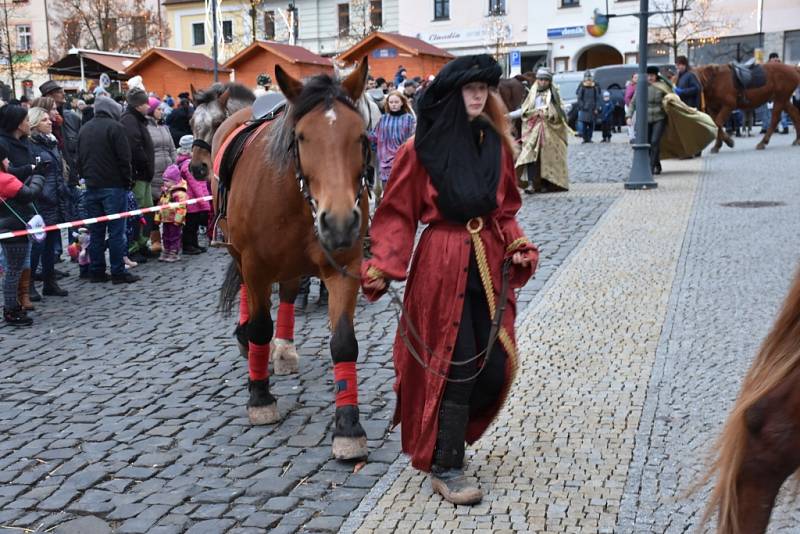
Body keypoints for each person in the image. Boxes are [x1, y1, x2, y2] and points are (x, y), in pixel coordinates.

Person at [361, 54, 538, 506]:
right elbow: (398, 213)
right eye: (469, 89)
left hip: (488, 260)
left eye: (484, 89)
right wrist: (384, 263)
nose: (478, 96)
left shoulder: (496, 144)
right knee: (454, 364)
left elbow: (506, 210)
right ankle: (446, 464)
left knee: (491, 361)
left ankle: (453, 441)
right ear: (452, 94)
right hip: (441, 262)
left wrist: (516, 243)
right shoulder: (419, 149)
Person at [76, 96, 139, 284]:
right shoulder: (116, 128)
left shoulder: (84, 128)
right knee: (116, 232)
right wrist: (127, 182)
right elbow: (124, 158)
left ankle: (97, 271)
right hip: (114, 186)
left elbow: (78, 158)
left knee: (95, 232)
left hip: (91, 186)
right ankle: (118, 272)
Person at [0, 105, 46, 307]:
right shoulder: (3, 144)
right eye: (27, 120)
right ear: (18, 123)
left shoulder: (25, 143)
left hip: (27, 204)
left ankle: (24, 294)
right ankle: (13, 302)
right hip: (11, 207)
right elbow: (10, 175)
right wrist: (34, 172)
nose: (30, 123)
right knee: (13, 261)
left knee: (25, 252)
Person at [27, 107, 70, 297]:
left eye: (49, 119)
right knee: (38, 244)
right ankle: (29, 285)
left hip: (55, 199)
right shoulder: (31, 145)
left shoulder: (51, 143)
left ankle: (49, 282)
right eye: (44, 120)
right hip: (42, 200)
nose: (50, 122)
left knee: (51, 243)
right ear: (35, 123)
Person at [0, 148, 44, 326]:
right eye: (5, 158)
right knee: (13, 270)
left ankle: (13, 306)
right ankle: (11, 309)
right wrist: (39, 176)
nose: (8, 161)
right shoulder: (4, 179)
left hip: (6, 227)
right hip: (14, 227)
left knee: (12, 269)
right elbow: (28, 194)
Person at [515, 68, 570, 193]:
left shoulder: (554, 95)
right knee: (530, 155)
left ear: (549, 81)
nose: (543, 82)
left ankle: (547, 184)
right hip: (533, 130)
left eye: (545, 80)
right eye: (540, 79)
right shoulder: (532, 94)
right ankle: (531, 184)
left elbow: (560, 112)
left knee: (547, 157)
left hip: (550, 132)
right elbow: (525, 110)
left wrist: (549, 114)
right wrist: (531, 114)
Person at [120, 87, 156, 263]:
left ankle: (143, 243)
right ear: (137, 105)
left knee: (147, 210)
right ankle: (133, 247)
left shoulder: (138, 120)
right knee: (137, 212)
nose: (148, 106)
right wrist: (146, 164)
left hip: (145, 174)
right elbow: (134, 147)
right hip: (138, 174)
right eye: (144, 103)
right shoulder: (129, 120)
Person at [146, 96, 177, 256]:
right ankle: (155, 240)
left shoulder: (165, 127)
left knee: (168, 209)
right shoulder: (145, 127)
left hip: (168, 175)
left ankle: (170, 240)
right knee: (152, 210)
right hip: (153, 174)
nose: (161, 111)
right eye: (158, 109)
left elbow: (172, 147)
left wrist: (174, 164)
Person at [628, 65, 672, 175]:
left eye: (652, 75)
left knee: (654, 141)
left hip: (659, 118)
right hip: (645, 119)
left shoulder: (662, 86)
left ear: (656, 76)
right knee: (647, 143)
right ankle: (656, 164)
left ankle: (651, 167)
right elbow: (633, 102)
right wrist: (628, 116)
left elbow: (672, 98)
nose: (650, 77)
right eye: (648, 75)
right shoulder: (641, 87)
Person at [371, 91, 416, 189]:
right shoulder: (383, 119)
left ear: (402, 103)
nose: (394, 105)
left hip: (403, 160)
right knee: (387, 192)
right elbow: (374, 137)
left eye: (396, 102)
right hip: (385, 163)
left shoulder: (409, 119)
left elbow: (413, 139)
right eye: (391, 102)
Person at [176, 135, 210, 255]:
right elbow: (196, 185)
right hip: (191, 202)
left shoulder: (187, 163)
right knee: (190, 226)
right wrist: (204, 201)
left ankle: (194, 244)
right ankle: (188, 245)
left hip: (195, 202)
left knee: (194, 225)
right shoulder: (187, 165)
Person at [156, 159, 189, 262]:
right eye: (164, 180)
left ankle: (174, 251)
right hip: (166, 219)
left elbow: (182, 208)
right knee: (165, 236)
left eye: (167, 181)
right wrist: (158, 217)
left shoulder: (179, 194)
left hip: (175, 220)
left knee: (175, 236)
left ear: (174, 181)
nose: (165, 183)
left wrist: (178, 220)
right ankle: (166, 250)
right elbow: (160, 205)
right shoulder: (165, 192)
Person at [576, 71, 601, 143]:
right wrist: (582, 106)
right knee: (584, 125)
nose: (588, 79)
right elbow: (579, 98)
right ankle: (584, 138)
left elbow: (597, 98)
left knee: (591, 125)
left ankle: (589, 138)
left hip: (592, 109)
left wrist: (596, 108)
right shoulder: (582, 86)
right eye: (587, 77)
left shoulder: (595, 86)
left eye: (589, 77)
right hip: (584, 109)